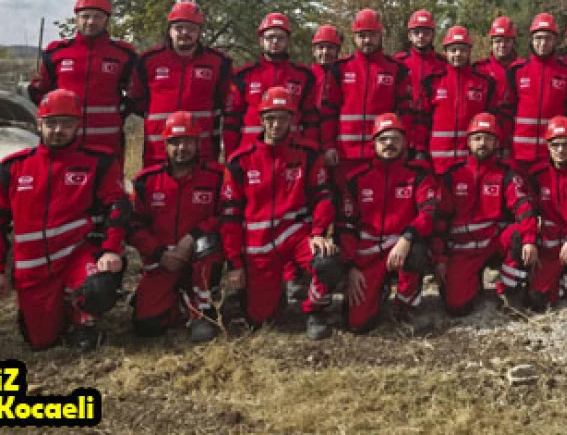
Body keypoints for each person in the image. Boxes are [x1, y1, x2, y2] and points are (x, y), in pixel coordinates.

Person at [0, 89, 130, 351]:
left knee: (100, 284)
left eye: (67, 123)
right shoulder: (12, 167)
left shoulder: (99, 161)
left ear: (78, 126)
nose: (58, 130)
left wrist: (111, 249)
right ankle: (51, 309)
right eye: (51, 123)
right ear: (39, 124)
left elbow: (118, 207)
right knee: (41, 342)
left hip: (77, 254)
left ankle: (83, 321)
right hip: (32, 267)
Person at [219, 87, 339, 340]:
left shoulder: (307, 153)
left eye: (282, 118)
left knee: (327, 260)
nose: (276, 124)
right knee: (261, 320)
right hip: (258, 244)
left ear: (292, 120)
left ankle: (314, 310)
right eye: (270, 118)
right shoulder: (240, 161)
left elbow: (322, 196)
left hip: (295, 236)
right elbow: (230, 217)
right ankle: (258, 294)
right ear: (261, 120)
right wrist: (235, 263)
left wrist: (319, 232)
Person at [128, 111, 225, 342]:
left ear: (197, 143)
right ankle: (177, 300)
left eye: (188, 141)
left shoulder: (216, 177)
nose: (182, 148)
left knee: (207, 243)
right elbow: (132, 226)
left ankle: (201, 312)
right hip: (162, 260)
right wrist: (160, 253)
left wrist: (192, 237)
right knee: (146, 326)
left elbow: (226, 214)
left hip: (198, 257)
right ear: (165, 144)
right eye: (175, 142)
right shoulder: (146, 181)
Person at [339, 113, 440, 332]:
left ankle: (405, 306)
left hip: (401, 247)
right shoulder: (357, 178)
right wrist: (351, 265)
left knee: (418, 252)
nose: (389, 144)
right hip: (368, 254)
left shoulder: (418, 175)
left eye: (395, 138)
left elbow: (429, 212)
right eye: (383, 139)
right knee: (357, 324)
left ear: (404, 142)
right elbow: (346, 226)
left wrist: (407, 238)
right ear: (373, 143)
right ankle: (379, 290)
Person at [433, 113, 536, 316]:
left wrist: (530, 239)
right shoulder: (453, 175)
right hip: (462, 249)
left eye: (488, 138)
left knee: (519, 235)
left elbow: (523, 207)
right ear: (469, 142)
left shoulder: (506, 174)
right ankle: (472, 280)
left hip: (493, 242)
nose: (483, 143)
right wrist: (440, 259)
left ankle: (509, 290)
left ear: (496, 143)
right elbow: (440, 220)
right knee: (457, 308)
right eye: (477, 138)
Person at [501, 116, 567, 314]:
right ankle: (562, 276)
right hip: (551, 239)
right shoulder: (537, 174)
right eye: (555, 144)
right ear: (547, 145)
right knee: (538, 299)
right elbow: (527, 209)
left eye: (565, 144)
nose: (560, 150)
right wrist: (531, 241)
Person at [28, 0, 137, 156]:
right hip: (64, 139)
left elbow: (135, 92)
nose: (91, 22)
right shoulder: (57, 52)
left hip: (107, 139)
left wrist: (117, 113)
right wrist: (55, 117)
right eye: (85, 16)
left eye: (98, 16)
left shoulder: (123, 53)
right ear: (76, 19)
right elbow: (37, 90)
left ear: (107, 20)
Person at [129, 1, 232, 164]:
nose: (184, 33)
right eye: (179, 28)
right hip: (157, 151)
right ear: (169, 30)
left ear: (200, 32)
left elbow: (224, 101)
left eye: (191, 28)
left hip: (202, 153)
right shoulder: (148, 60)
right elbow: (137, 101)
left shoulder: (219, 62)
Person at [324, 9, 415, 173]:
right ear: (354, 37)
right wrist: (328, 146)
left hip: (382, 153)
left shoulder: (396, 69)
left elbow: (406, 113)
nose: (367, 40)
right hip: (345, 155)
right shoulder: (340, 68)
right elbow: (329, 111)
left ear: (380, 35)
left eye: (372, 35)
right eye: (362, 35)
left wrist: (404, 144)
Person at [223, 12, 321, 155]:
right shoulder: (243, 75)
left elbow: (311, 118)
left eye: (280, 37)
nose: (275, 41)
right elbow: (232, 120)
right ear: (261, 41)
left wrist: (310, 150)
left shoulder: (303, 76)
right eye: (270, 37)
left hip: (293, 153)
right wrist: (232, 154)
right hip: (251, 154)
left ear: (288, 41)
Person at [418, 26, 501, 174]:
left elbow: (494, 120)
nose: (458, 54)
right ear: (445, 52)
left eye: (462, 50)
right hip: (438, 162)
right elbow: (422, 121)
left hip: (471, 162)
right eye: (453, 50)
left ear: (469, 51)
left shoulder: (484, 83)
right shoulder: (433, 81)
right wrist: (421, 153)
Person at [508, 13, 567, 174]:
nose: (543, 43)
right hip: (520, 153)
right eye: (538, 38)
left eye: (548, 38)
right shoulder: (517, 70)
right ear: (532, 39)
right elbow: (507, 110)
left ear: (555, 41)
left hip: (553, 153)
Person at [395, 10, 448, 152]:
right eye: (416, 32)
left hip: (432, 132)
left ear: (432, 35)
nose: (421, 36)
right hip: (403, 132)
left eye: (426, 32)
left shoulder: (444, 64)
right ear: (409, 35)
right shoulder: (398, 63)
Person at [474, 16, 519, 159]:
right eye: (497, 41)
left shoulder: (520, 68)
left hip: (514, 132)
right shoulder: (479, 68)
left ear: (513, 42)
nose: (502, 45)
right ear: (491, 42)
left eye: (506, 41)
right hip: (486, 135)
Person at [310, 24, 344, 113]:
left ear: (338, 50)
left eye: (330, 47)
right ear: (314, 51)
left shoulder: (344, 75)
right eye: (321, 47)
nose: (325, 52)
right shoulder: (306, 76)